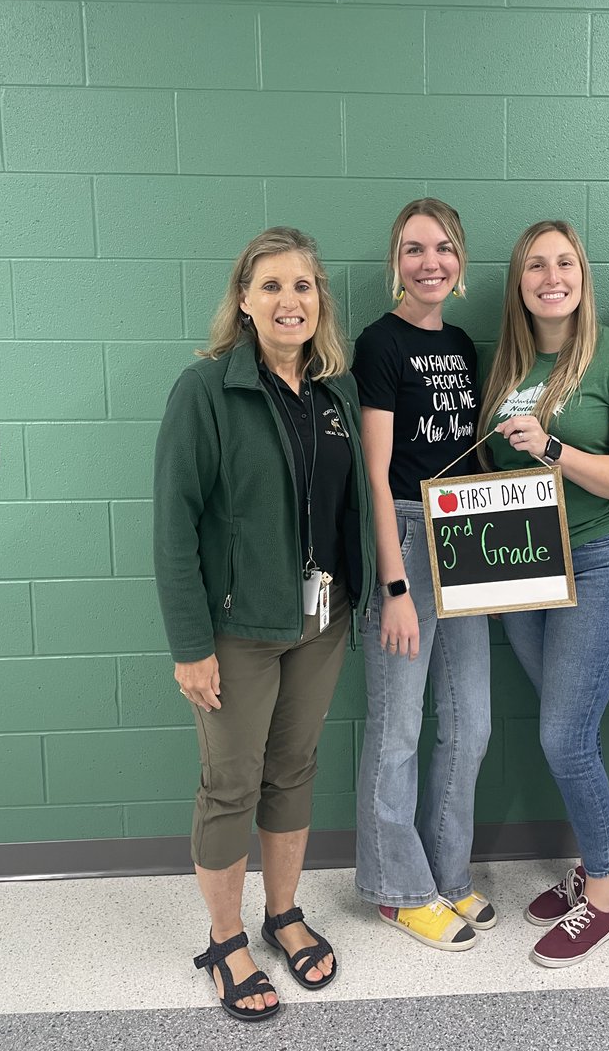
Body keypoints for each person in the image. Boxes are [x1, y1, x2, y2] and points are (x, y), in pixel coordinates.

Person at [153, 227, 376, 1020]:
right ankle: (223, 940)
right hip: (235, 629)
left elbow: (352, 506)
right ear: (244, 301)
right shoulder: (205, 390)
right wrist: (190, 648)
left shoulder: (336, 392)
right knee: (231, 783)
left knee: (294, 768)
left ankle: (283, 914)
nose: (291, 301)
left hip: (322, 618)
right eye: (272, 286)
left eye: (304, 287)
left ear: (321, 301)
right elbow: (174, 526)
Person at [480, 220, 609, 967]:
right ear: (520, 284)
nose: (550, 276)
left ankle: (606, 895)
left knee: (563, 735)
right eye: (534, 266)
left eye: (563, 262)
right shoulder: (509, 365)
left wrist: (555, 449)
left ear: (581, 275)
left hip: (604, 562)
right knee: (566, 732)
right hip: (526, 566)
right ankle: (594, 867)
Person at [352, 198, 494, 951]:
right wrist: (395, 587)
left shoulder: (465, 344)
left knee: (471, 723)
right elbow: (375, 475)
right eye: (413, 249)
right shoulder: (379, 343)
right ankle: (396, 889)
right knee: (399, 727)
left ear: (460, 261)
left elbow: (467, 455)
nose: (429, 261)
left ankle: (448, 874)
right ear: (395, 262)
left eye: (442, 248)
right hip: (405, 534)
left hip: (462, 528)